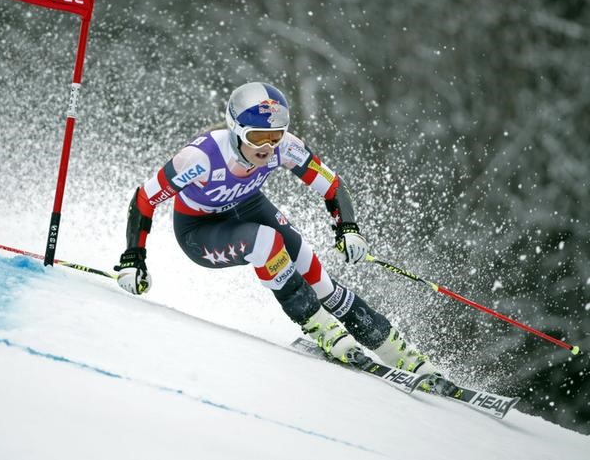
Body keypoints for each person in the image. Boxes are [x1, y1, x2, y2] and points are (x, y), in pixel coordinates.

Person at [114, 81, 440, 376]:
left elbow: (331, 186)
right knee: (266, 243)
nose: (267, 147)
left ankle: (397, 351)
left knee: (314, 270)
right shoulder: (199, 157)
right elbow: (144, 198)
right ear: (237, 129)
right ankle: (322, 328)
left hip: (246, 205)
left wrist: (349, 228)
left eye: (276, 136)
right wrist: (133, 259)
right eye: (257, 137)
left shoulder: (285, 148)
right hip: (200, 228)